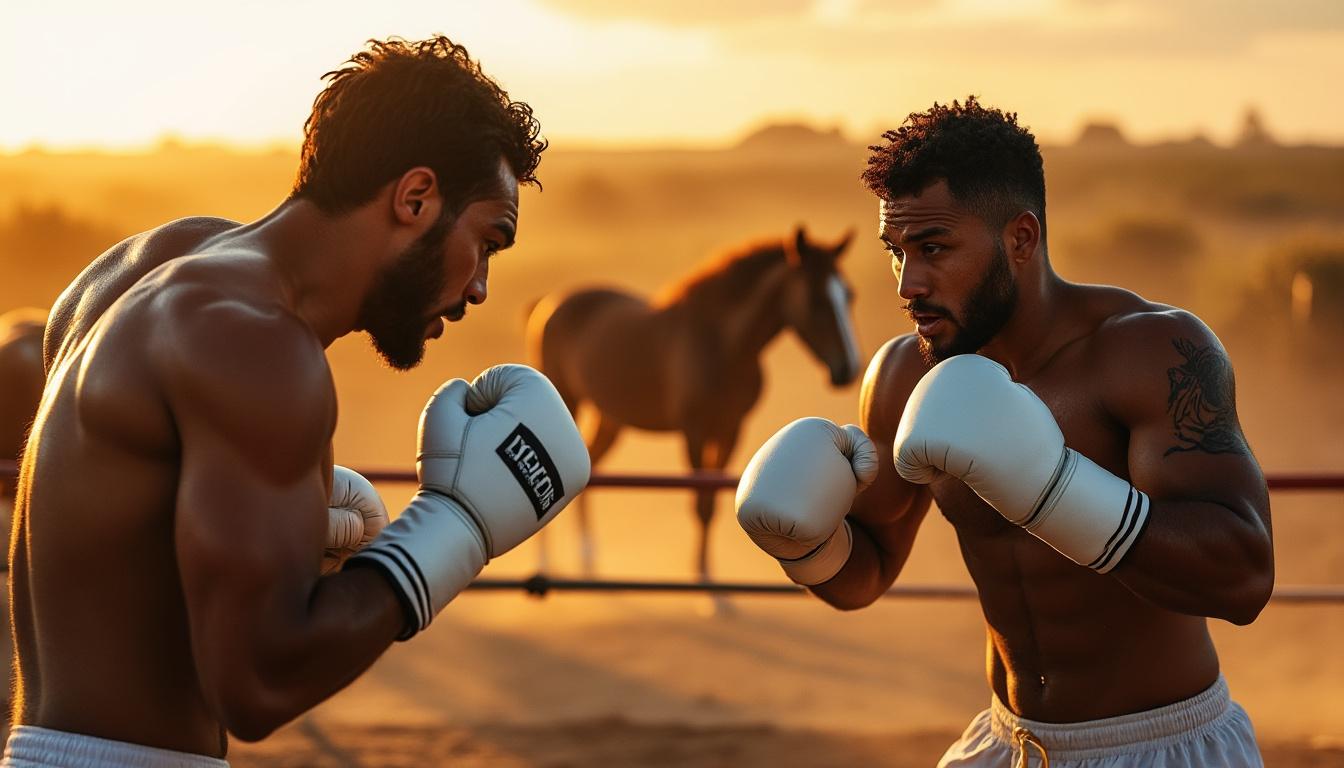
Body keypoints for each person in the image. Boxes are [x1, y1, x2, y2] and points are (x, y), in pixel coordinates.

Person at [6, 36, 590, 766]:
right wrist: (453, 529)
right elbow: (258, 684)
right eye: (488, 241)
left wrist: (268, 512)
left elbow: (113, 539)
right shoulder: (256, 342)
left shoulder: (147, 268)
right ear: (416, 198)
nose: (479, 288)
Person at [735, 98, 1273, 767]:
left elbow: (1244, 579)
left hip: (1161, 745)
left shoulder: (1149, 352)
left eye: (933, 249)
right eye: (896, 253)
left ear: (1020, 239)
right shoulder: (906, 374)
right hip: (1008, 741)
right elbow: (867, 571)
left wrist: (1055, 491)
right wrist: (810, 547)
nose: (908, 284)